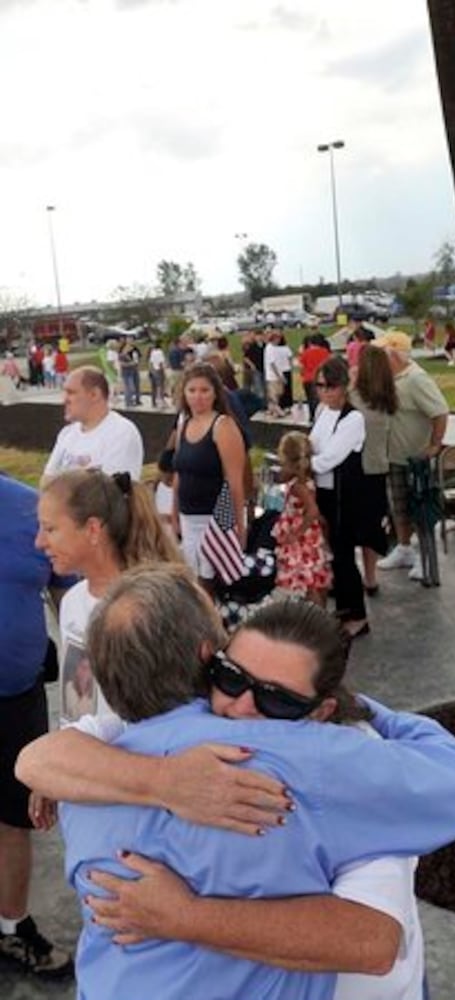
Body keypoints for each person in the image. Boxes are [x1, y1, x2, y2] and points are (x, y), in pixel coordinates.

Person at [17, 566, 455, 1000]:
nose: (248, 709)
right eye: (231, 676)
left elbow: (33, 760)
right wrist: (364, 711)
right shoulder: (315, 758)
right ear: (210, 656)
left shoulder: (81, 774)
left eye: (279, 700)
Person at [36, 467, 182, 728]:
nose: (39, 542)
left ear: (92, 529)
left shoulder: (144, 609)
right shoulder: (72, 600)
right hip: (79, 755)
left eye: (50, 529)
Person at [0, 474, 73, 979]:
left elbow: (71, 594)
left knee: (14, 821)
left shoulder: (32, 510)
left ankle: (12, 927)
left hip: (16, 698)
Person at [375, 331, 449, 581]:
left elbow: (440, 412)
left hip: (415, 458)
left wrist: (435, 445)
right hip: (393, 456)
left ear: (393, 355)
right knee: (399, 507)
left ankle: (423, 555)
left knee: (419, 510)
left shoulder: (416, 379)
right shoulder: (389, 379)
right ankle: (404, 548)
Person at [310, 355, 368, 638]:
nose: (324, 392)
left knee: (344, 555)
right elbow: (314, 446)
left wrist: (303, 463)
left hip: (344, 495)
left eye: (329, 386)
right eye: (319, 386)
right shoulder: (323, 411)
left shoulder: (353, 418)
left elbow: (329, 457)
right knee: (331, 554)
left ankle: (357, 614)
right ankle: (343, 607)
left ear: (343, 387)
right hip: (322, 491)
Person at [172, 362, 247, 583]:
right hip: (188, 516)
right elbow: (179, 472)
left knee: (211, 582)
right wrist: (174, 511)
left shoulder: (223, 425)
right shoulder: (183, 423)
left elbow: (234, 481)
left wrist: (239, 527)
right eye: (192, 390)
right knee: (193, 579)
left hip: (214, 519)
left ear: (215, 393)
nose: (198, 397)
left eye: (204, 390)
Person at [42, 366, 143, 484]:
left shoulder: (121, 432)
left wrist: (61, 487)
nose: (64, 399)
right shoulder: (67, 433)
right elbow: (46, 482)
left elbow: (109, 492)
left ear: (94, 394)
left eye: (71, 392)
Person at [350, 345, 397, 596]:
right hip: (378, 466)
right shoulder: (388, 400)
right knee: (371, 527)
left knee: (348, 525)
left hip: (354, 468)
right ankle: (371, 577)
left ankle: (349, 574)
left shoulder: (354, 397)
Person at [272, 431, 332, 605]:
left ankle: (317, 619)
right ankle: (323, 618)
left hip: (302, 540)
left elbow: (313, 511)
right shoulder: (307, 480)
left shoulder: (298, 486)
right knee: (316, 577)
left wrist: (297, 533)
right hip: (311, 536)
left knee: (308, 582)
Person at [298, 334, 331, 420]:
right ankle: (321, 416)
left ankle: (312, 416)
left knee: (310, 399)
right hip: (320, 378)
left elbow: (301, 367)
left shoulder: (305, 352)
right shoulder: (325, 352)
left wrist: (303, 374)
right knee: (321, 399)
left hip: (308, 379)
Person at [263, 330, 286, 417]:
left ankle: (272, 409)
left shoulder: (274, 348)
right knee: (274, 394)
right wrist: (279, 376)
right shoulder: (270, 349)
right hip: (272, 376)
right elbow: (272, 364)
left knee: (278, 393)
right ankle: (276, 410)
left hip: (276, 374)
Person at [118, 337, 141, 406]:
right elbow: (121, 363)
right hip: (127, 371)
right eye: (129, 340)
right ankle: (128, 401)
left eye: (132, 340)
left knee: (136, 385)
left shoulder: (135, 349)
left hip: (134, 369)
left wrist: (136, 363)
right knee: (129, 387)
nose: (130, 342)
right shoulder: (122, 351)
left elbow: (138, 358)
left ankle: (137, 400)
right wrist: (130, 363)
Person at [147, 339, 167, 408]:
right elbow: (161, 363)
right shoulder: (160, 352)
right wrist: (164, 371)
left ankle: (153, 402)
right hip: (159, 370)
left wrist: (151, 371)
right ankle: (160, 401)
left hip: (153, 370)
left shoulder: (152, 352)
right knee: (160, 387)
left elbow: (150, 363)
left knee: (154, 387)